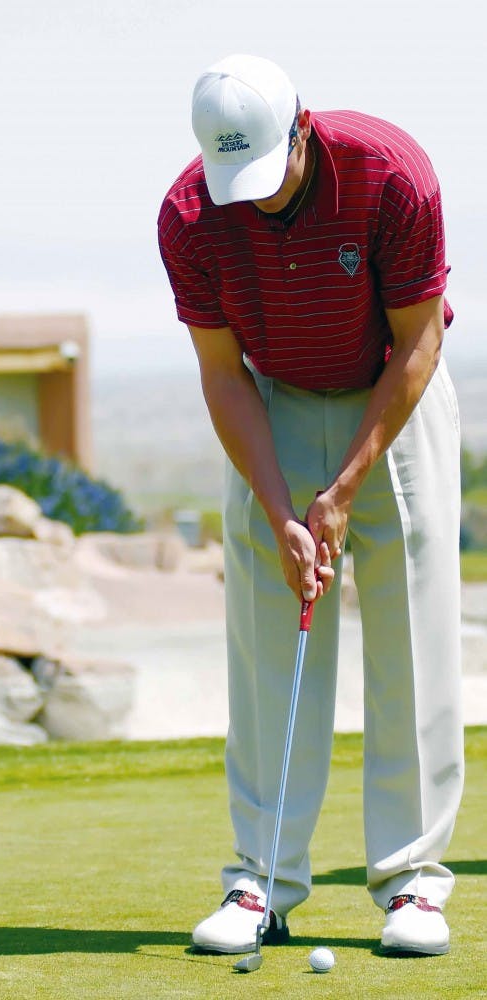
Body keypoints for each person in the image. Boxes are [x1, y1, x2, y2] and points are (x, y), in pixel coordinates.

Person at [157, 54, 463, 957]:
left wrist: (343, 490)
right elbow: (222, 374)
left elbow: (416, 346)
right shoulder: (190, 215)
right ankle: (261, 882)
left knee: (412, 634)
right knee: (268, 642)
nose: (251, 201)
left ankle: (412, 886)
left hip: (393, 397)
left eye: (268, 173)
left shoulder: (390, 175)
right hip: (275, 397)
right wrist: (282, 506)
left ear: (301, 129)